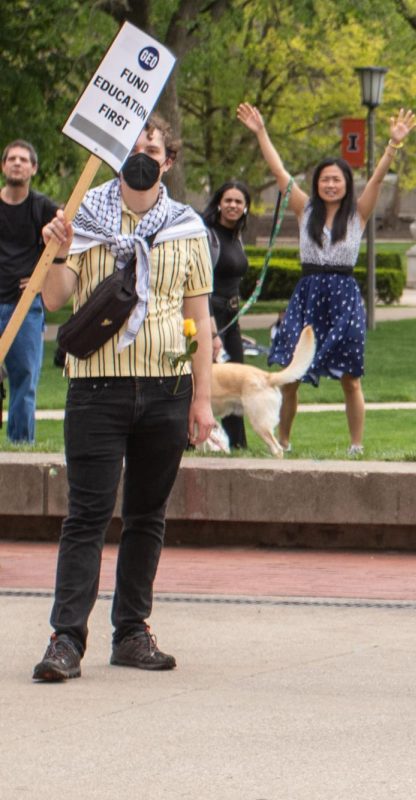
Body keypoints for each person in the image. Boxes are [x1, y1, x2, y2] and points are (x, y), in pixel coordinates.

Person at [31, 115, 217, 681]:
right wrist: (57, 252)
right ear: (116, 155)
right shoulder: (82, 215)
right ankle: (66, 639)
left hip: (166, 387)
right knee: (86, 515)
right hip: (96, 387)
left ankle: (132, 631)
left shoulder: (187, 228)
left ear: (169, 160)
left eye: (152, 147)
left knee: (146, 516)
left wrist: (201, 399)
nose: (142, 154)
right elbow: (58, 298)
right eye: (133, 146)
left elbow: (200, 317)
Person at [236, 102, 416, 456]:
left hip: (345, 295)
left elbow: (378, 178)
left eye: (337, 179)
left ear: (346, 184)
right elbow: (280, 173)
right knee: (291, 376)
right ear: (317, 184)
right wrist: (261, 133)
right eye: (325, 179)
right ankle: (284, 440)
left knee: (351, 378)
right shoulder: (304, 208)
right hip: (308, 293)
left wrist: (393, 145)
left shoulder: (359, 213)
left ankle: (356, 445)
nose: (331, 184)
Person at [0, 140, 58, 444]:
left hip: (25, 307)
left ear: (33, 168)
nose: (17, 163)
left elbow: (68, 246)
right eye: (12, 158)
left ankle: (21, 447)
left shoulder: (44, 208)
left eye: (24, 159)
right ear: (3, 166)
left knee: (25, 380)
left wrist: (44, 278)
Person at [200, 180, 252, 449]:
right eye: (228, 200)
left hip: (232, 317)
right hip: (210, 316)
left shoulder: (237, 236)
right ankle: (200, 439)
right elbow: (200, 285)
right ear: (219, 203)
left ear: (245, 208)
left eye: (238, 202)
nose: (233, 205)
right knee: (210, 382)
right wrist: (211, 331)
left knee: (237, 381)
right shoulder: (208, 236)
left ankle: (239, 445)